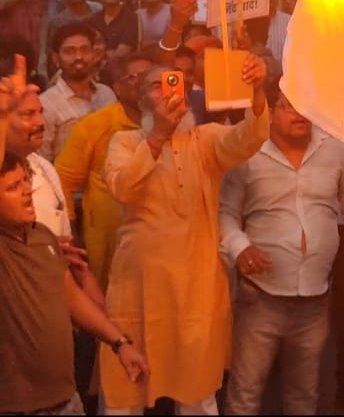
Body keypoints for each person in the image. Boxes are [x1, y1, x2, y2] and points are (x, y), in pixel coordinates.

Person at [98, 55, 270, 414]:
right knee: (124, 393)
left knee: (198, 394)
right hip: (139, 289)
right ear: (141, 100)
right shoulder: (124, 143)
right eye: (154, 87)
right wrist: (158, 135)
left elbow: (249, 138)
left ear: (188, 92)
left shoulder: (205, 140)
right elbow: (123, 188)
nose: (165, 93)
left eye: (172, 83)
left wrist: (256, 92)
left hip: (195, 290)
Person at [0, 70, 151, 416]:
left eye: (26, 183)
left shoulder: (42, 235)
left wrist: (119, 342)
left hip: (66, 400)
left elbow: (69, 295)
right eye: (13, 187)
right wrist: (2, 111)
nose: (27, 190)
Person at [220, 86, 344, 415]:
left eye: (304, 106)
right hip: (260, 299)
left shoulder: (332, 151)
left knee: (304, 396)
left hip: (315, 300)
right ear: (272, 114)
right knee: (245, 395)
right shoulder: (249, 153)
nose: (298, 114)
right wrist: (241, 248)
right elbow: (225, 214)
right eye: (287, 106)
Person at [53, 52, 153, 290]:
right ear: (117, 87)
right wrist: (74, 237)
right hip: (109, 240)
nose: (142, 84)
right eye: (134, 78)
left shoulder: (175, 123)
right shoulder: (94, 126)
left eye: (149, 77)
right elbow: (62, 183)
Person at [38, 21, 117, 162]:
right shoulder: (45, 104)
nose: (78, 57)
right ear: (56, 59)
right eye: (69, 51)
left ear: (93, 54)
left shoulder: (107, 94)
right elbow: (42, 161)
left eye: (85, 50)